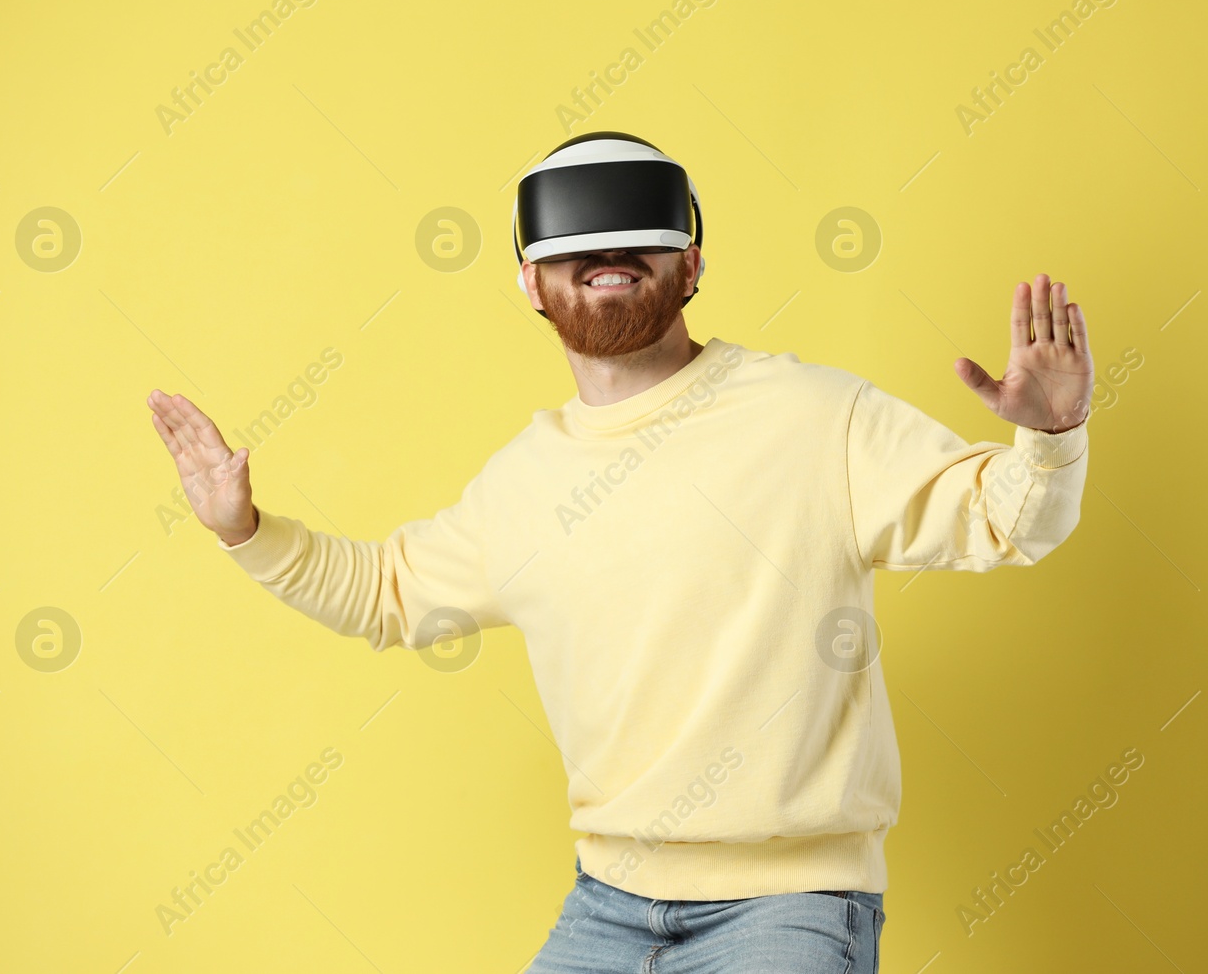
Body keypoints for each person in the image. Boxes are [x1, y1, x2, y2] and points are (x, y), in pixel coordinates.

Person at [147, 134, 1093, 973]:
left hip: (791, 906)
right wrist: (245, 529)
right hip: (605, 903)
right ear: (530, 283)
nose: (605, 254)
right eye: (574, 244)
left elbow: (1007, 519)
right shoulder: (524, 480)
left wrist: (1052, 437)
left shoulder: (816, 417)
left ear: (691, 266)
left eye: (636, 237)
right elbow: (390, 593)